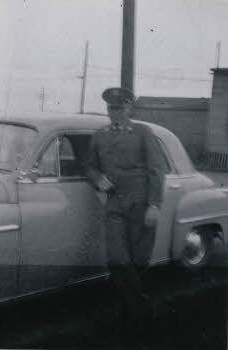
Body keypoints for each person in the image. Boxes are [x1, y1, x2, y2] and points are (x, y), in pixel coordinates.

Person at [87, 87, 164, 336]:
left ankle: (128, 312)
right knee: (117, 259)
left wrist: (154, 205)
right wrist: (97, 178)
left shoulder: (143, 132)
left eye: (119, 107)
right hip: (114, 204)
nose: (115, 112)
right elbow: (89, 165)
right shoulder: (99, 135)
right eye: (111, 108)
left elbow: (156, 169)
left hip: (140, 202)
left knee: (138, 260)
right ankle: (144, 312)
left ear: (129, 108)